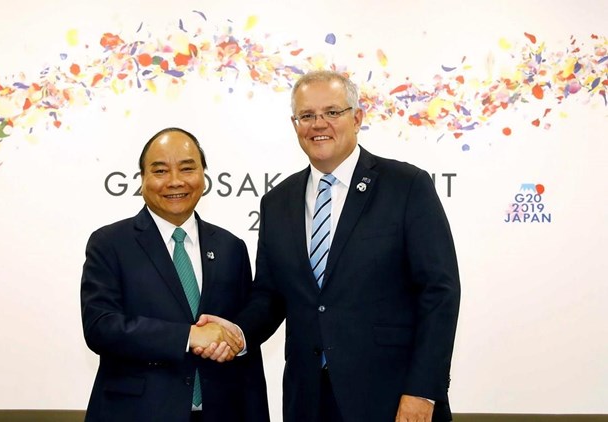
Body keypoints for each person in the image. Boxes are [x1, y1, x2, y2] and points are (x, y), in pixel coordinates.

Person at [197, 71, 461, 422]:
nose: (318, 124)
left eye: (332, 112)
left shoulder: (406, 186)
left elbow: (439, 293)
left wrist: (423, 390)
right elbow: (270, 295)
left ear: (357, 118)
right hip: (309, 399)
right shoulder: (278, 201)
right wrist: (237, 333)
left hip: (393, 397)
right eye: (307, 116)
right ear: (295, 125)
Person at [80, 128, 270, 422]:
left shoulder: (231, 247)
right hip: (137, 413)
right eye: (160, 170)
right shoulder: (110, 243)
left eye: (187, 168)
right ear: (142, 178)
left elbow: (240, 338)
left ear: (204, 176)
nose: (175, 181)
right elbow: (101, 327)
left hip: (221, 412)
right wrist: (189, 336)